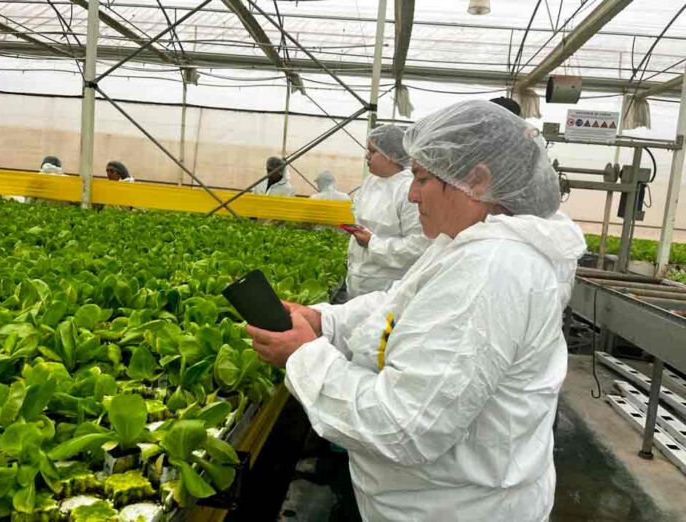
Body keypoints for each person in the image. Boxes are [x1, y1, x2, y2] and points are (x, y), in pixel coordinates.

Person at [246, 100, 586, 521]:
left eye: (423, 178)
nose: (410, 192)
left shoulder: (492, 270)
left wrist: (304, 355)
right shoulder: (470, 243)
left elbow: (403, 425)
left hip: (456, 510)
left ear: (477, 180)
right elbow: (400, 300)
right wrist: (325, 320)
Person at [345, 124, 429, 298]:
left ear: (391, 155)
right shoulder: (370, 181)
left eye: (372, 151)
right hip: (358, 278)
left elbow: (418, 246)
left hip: (387, 287)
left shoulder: (409, 190)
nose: (367, 156)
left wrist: (372, 243)